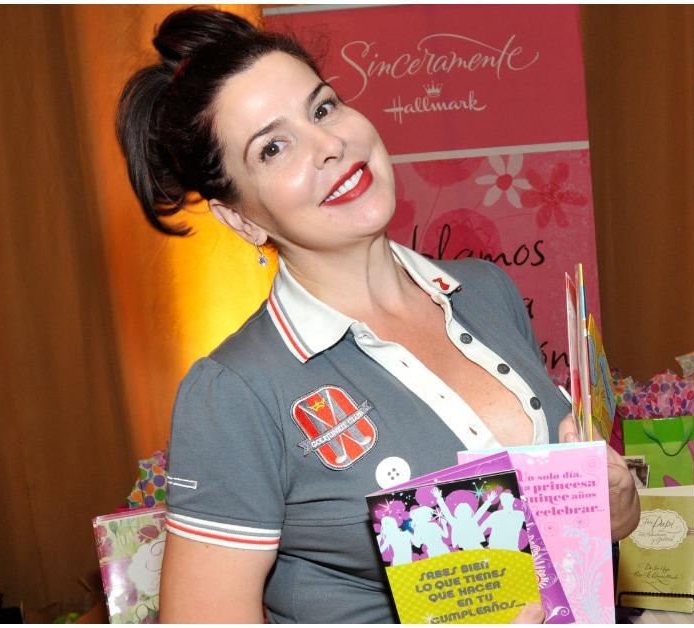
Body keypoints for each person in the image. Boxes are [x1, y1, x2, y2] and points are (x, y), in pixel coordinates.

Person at [115, 7, 640, 623]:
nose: (330, 144)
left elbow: (589, 535)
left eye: (323, 107)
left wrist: (616, 503)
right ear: (240, 217)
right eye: (274, 147)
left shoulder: (485, 290)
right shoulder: (235, 391)